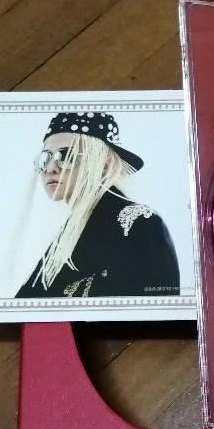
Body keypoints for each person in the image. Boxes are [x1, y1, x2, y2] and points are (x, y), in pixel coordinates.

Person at [16, 111, 180, 299]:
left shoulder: (141, 223)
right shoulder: (67, 234)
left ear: (105, 165)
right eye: (44, 159)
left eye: (67, 156)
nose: (50, 168)